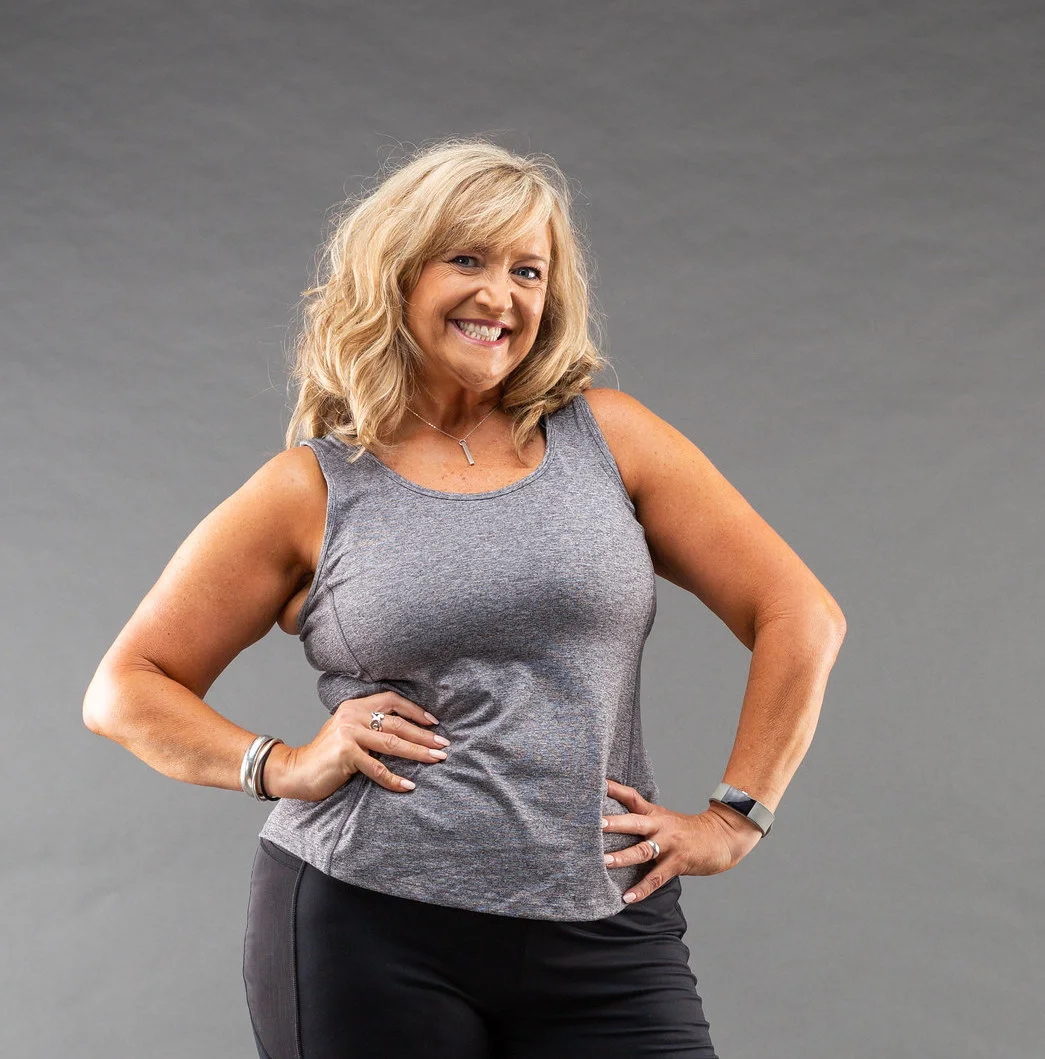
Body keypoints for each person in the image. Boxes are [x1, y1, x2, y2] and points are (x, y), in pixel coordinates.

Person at [83, 137, 846, 1059]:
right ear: (397, 274)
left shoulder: (611, 439)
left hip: (604, 921)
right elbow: (126, 687)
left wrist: (735, 817)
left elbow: (800, 614)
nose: (501, 296)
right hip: (367, 921)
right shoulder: (313, 488)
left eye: (528, 270)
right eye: (467, 260)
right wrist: (280, 764)